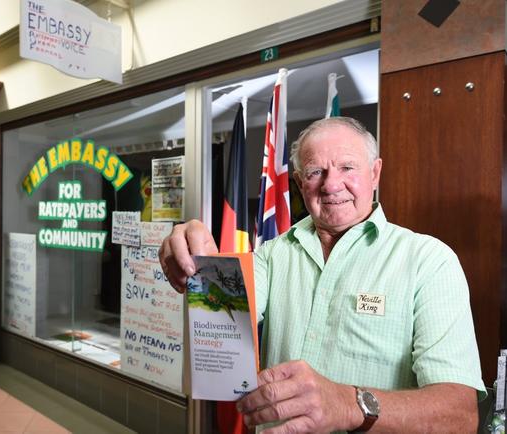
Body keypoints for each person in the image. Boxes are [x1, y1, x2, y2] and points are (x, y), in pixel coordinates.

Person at [159, 117, 485, 433]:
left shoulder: (428, 261)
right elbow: (220, 316)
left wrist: (347, 404)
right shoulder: (272, 255)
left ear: (375, 173)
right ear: (301, 184)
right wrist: (194, 253)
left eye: (347, 167)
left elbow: (459, 415)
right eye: (316, 172)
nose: (331, 184)